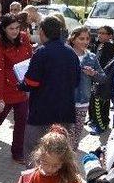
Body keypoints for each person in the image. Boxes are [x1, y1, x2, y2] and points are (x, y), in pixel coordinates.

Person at [21, 16, 80, 163]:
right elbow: (77, 81)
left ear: (42, 32)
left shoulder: (41, 52)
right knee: (60, 151)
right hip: (65, 112)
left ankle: (34, 181)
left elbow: (31, 82)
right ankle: (58, 181)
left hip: (42, 112)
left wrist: (21, 84)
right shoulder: (71, 52)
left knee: (34, 150)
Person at [0, 13, 33, 164]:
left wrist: (31, 85)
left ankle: (18, 152)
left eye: (17, 28)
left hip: (23, 88)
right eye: (11, 28)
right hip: (6, 89)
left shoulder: (24, 38)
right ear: (4, 29)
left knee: (22, 122)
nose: (15, 31)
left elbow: (31, 59)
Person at [67, 27, 105, 151]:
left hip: (83, 101)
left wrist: (93, 74)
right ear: (73, 39)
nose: (85, 41)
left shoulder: (91, 57)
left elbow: (102, 78)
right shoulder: (66, 54)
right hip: (66, 100)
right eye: (81, 38)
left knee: (77, 132)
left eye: (87, 39)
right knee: (66, 131)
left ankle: (71, 156)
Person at [87, 26, 114, 135]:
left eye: (103, 33)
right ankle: (93, 120)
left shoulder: (112, 48)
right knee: (94, 101)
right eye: (99, 33)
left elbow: (109, 66)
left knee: (100, 102)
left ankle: (101, 125)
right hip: (94, 76)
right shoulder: (96, 45)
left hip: (104, 79)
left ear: (110, 36)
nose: (99, 35)